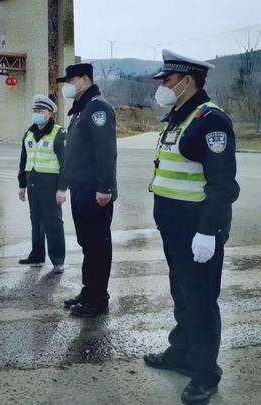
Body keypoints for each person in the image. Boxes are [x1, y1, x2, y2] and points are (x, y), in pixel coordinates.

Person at [144, 49, 240, 404]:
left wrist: (208, 231)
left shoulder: (210, 121)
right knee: (182, 295)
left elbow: (222, 185)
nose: (162, 87)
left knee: (200, 301)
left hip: (197, 229)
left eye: (168, 80)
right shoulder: (178, 118)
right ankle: (181, 352)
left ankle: (205, 373)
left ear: (188, 81)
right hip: (174, 229)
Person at [57, 63, 117, 318]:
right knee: (87, 244)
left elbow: (106, 150)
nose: (67, 86)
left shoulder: (97, 108)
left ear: (84, 79)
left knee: (97, 246)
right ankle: (89, 290)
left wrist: (105, 188)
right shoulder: (81, 110)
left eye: (70, 81)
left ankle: (98, 299)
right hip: (81, 189)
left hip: (95, 191)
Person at [17, 95, 67, 274]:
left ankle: (58, 260)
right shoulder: (29, 133)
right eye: (35, 111)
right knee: (36, 221)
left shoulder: (59, 133)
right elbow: (24, 160)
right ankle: (37, 256)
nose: (37, 113)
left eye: (41, 111)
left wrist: (62, 189)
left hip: (51, 186)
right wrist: (22, 185)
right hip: (32, 183)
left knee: (53, 223)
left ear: (50, 113)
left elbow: (65, 163)